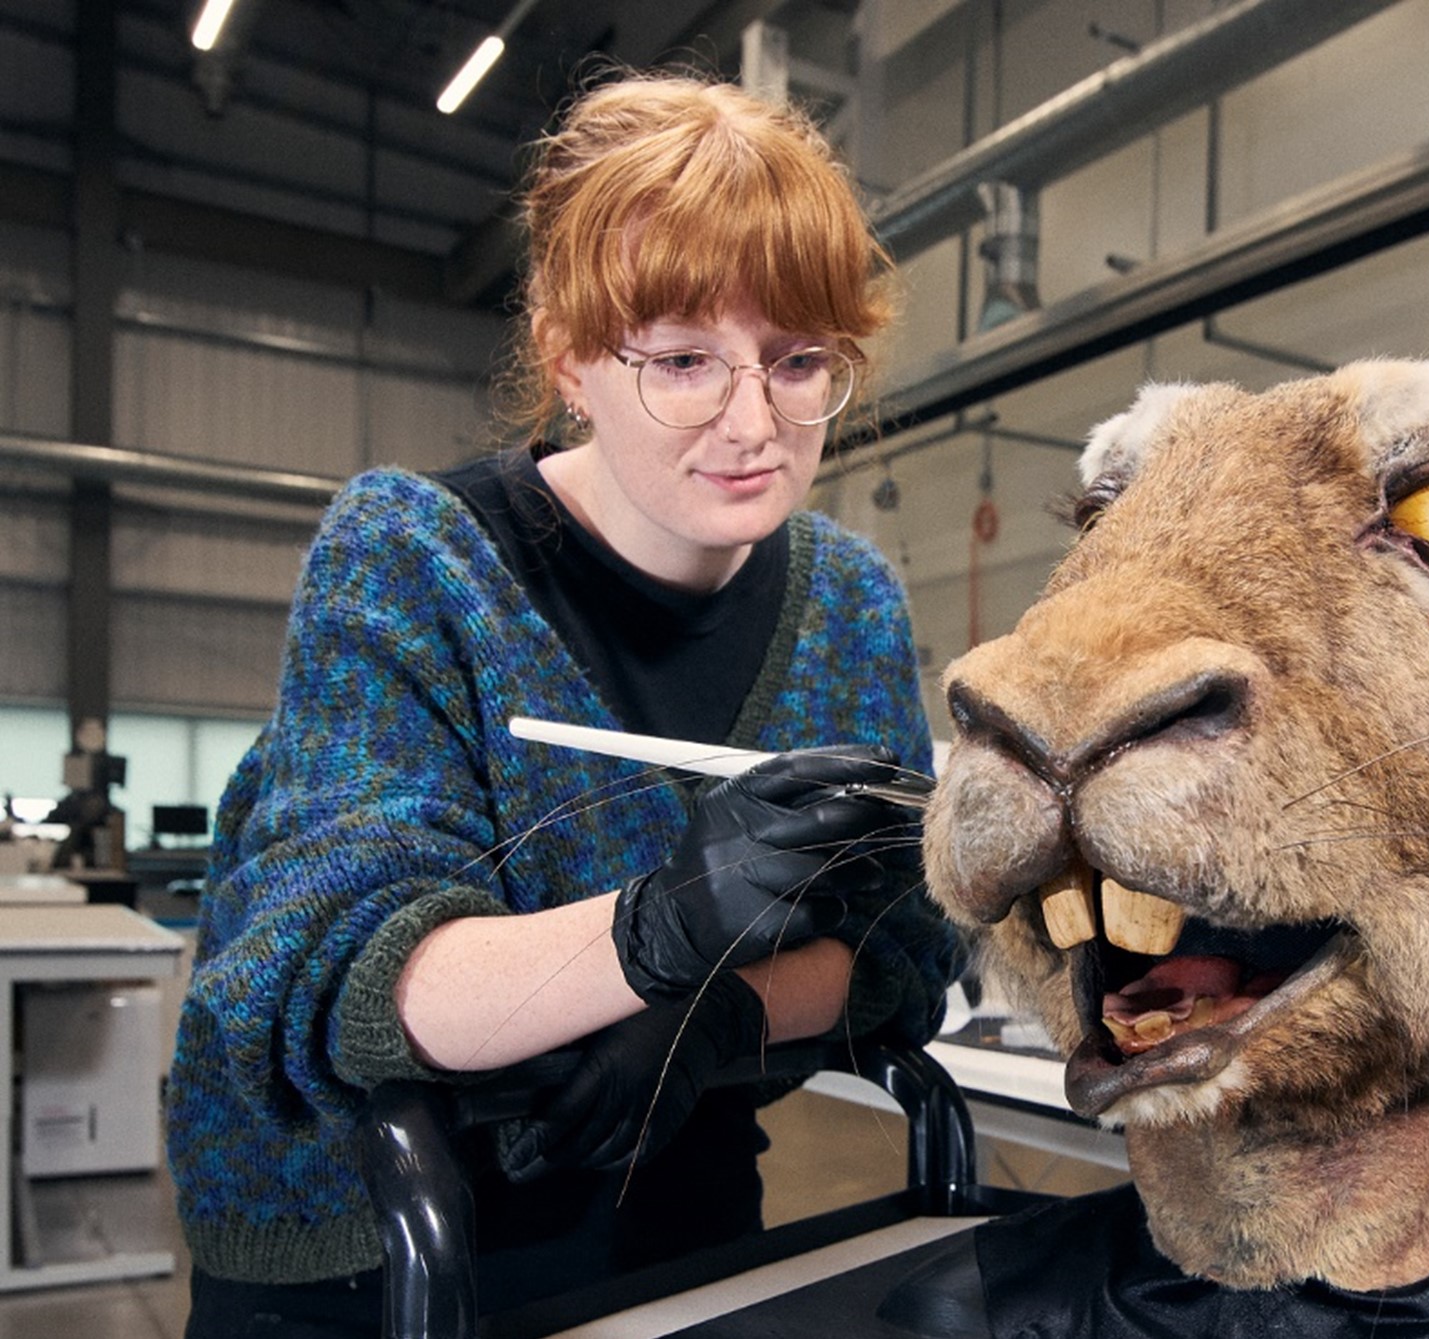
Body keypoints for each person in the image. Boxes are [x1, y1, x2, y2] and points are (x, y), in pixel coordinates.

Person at [166, 70, 960, 1336]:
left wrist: (717, 1017)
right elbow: (357, 979)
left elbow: (897, 946)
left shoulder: (850, 602)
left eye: (799, 360)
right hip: (374, 1234)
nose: (754, 423)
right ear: (571, 360)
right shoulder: (413, 556)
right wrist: (665, 930)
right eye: (684, 360)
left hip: (668, 1189)